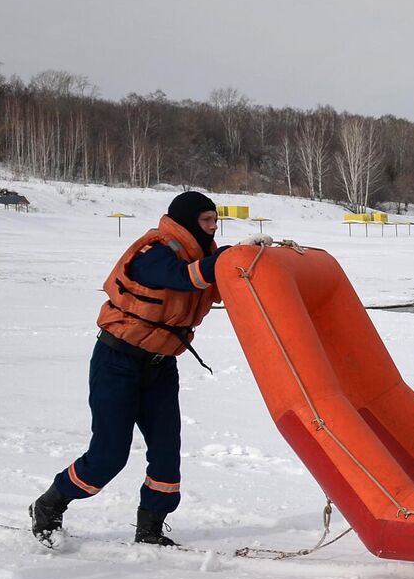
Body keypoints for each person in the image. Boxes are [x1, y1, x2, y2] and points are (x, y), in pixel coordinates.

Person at [29, 191, 264, 547]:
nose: (213, 227)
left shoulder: (204, 254)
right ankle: (50, 503)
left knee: (167, 454)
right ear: (187, 222)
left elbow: (221, 275)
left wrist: (253, 256)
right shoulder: (152, 252)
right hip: (117, 362)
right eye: (206, 220)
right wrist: (227, 258)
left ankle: (150, 528)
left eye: (215, 220)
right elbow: (185, 278)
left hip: (160, 367)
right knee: (109, 456)